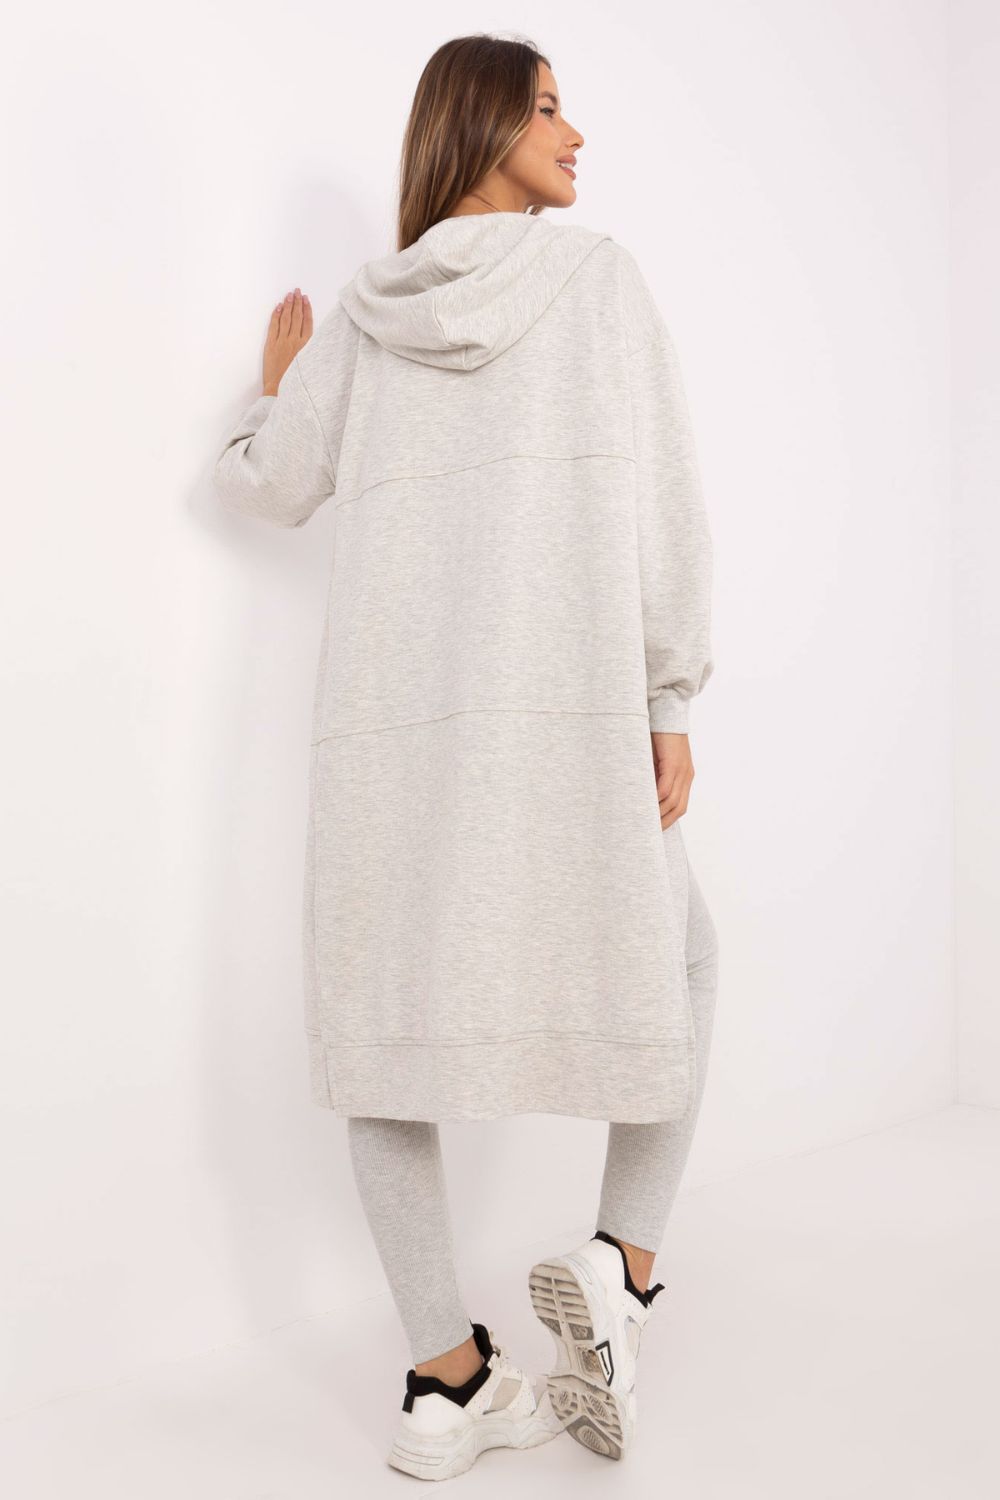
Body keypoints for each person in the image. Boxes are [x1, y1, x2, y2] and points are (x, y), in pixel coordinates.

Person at [214, 32, 719, 1482]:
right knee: (681, 965)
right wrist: (668, 698)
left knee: (386, 1036)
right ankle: (620, 1276)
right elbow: (667, 504)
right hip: (566, 724)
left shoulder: (366, 317)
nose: (576, 131)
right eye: (548, 106)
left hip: (396, 748)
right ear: (482, 124)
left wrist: (272, 397)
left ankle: (444, 1385)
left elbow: (270, 485)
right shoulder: (597, 281)